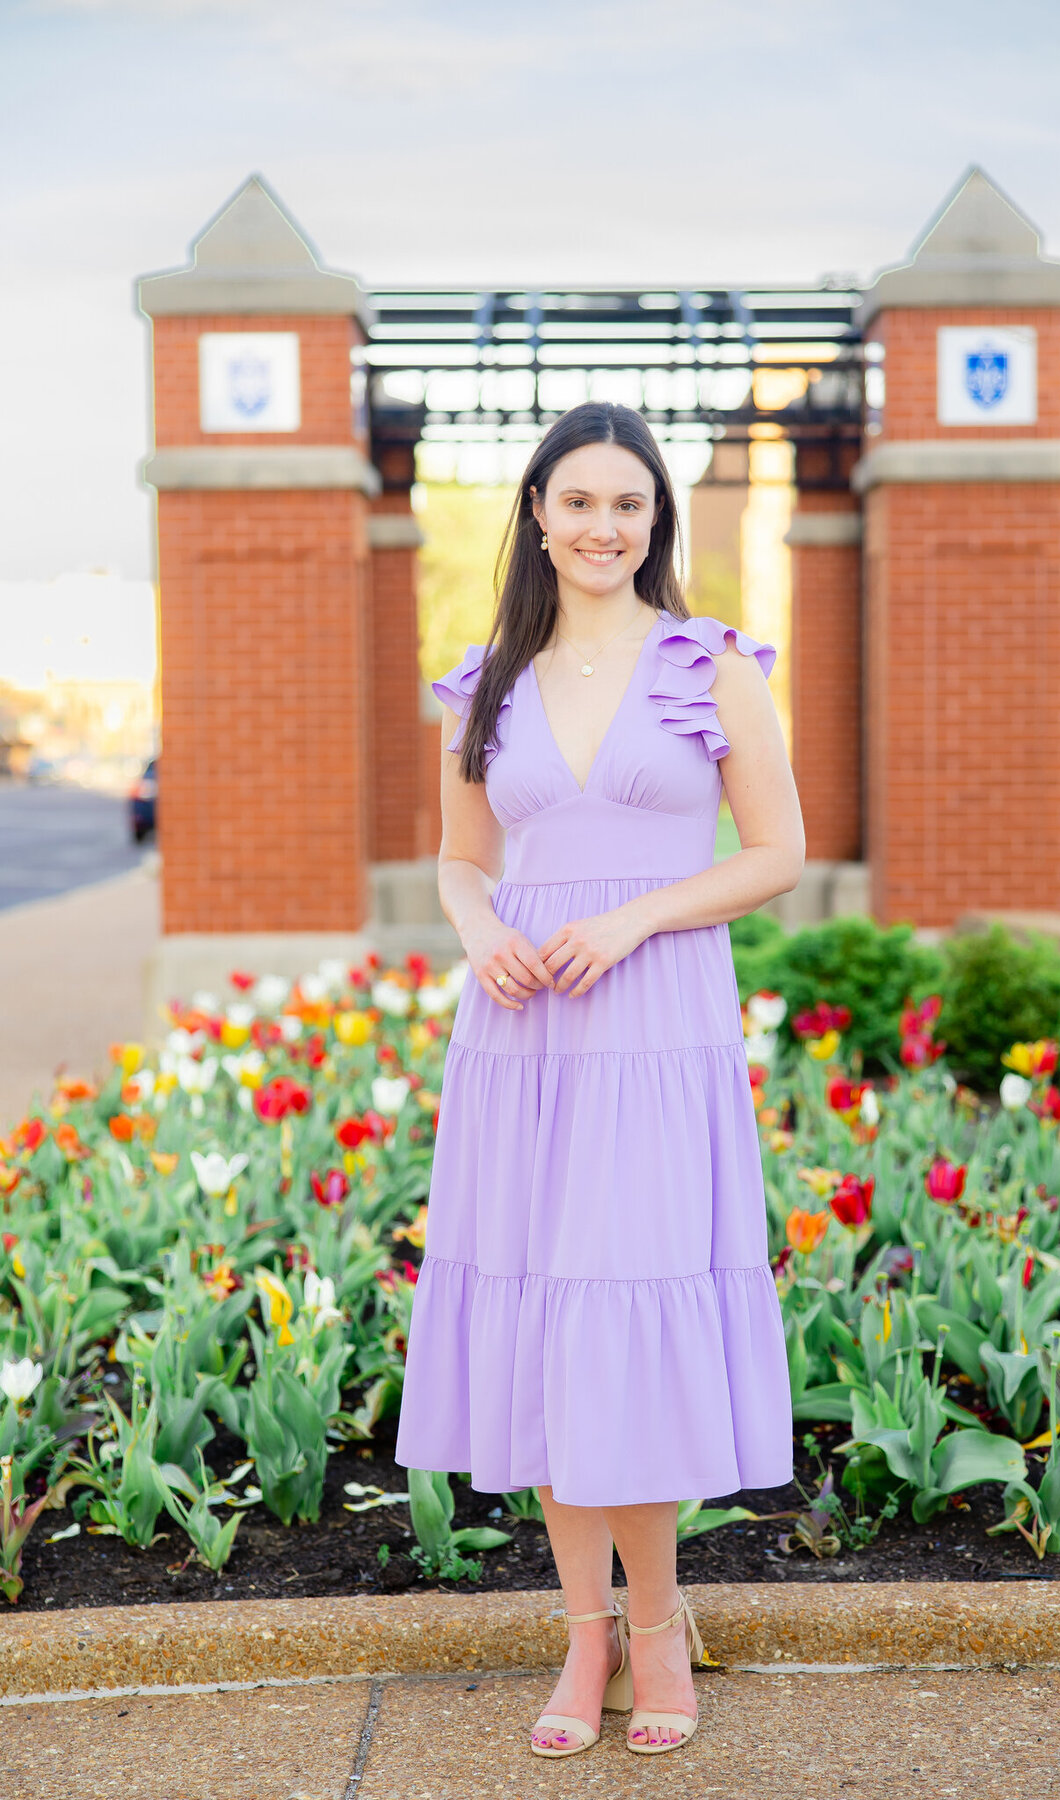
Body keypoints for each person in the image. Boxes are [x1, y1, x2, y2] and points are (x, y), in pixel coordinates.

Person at [394, 400, 805, 1759]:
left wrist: (633, 920)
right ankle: (584, 1641)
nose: (603, 527)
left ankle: (662, 1622)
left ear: (656, 523)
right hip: (523, 1043)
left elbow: (776, 855)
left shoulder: (711, 664)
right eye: (579, 502)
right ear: (536, 514)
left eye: (629, 505)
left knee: (630, 1320)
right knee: (549, 1332)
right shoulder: (484, 683)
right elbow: (461, 859)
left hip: (654, 1034)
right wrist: (479, 931)